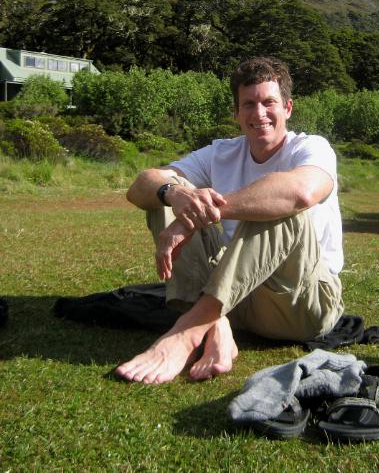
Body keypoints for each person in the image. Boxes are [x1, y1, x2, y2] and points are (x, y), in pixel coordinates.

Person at [115, 57, 344, 384]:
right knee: (167, 198)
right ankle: (217, 327)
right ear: (236, 113)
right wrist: (177, 196)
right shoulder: (221, 152)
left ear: (288, 108)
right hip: (237, 296)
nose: (259, 113)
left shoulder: (312, 148)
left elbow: (301, 193)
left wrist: (208, 212)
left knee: (277, 204)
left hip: (299, 302)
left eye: (269, 102)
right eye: (248, 104)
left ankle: (187, 332)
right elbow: (141, 185)